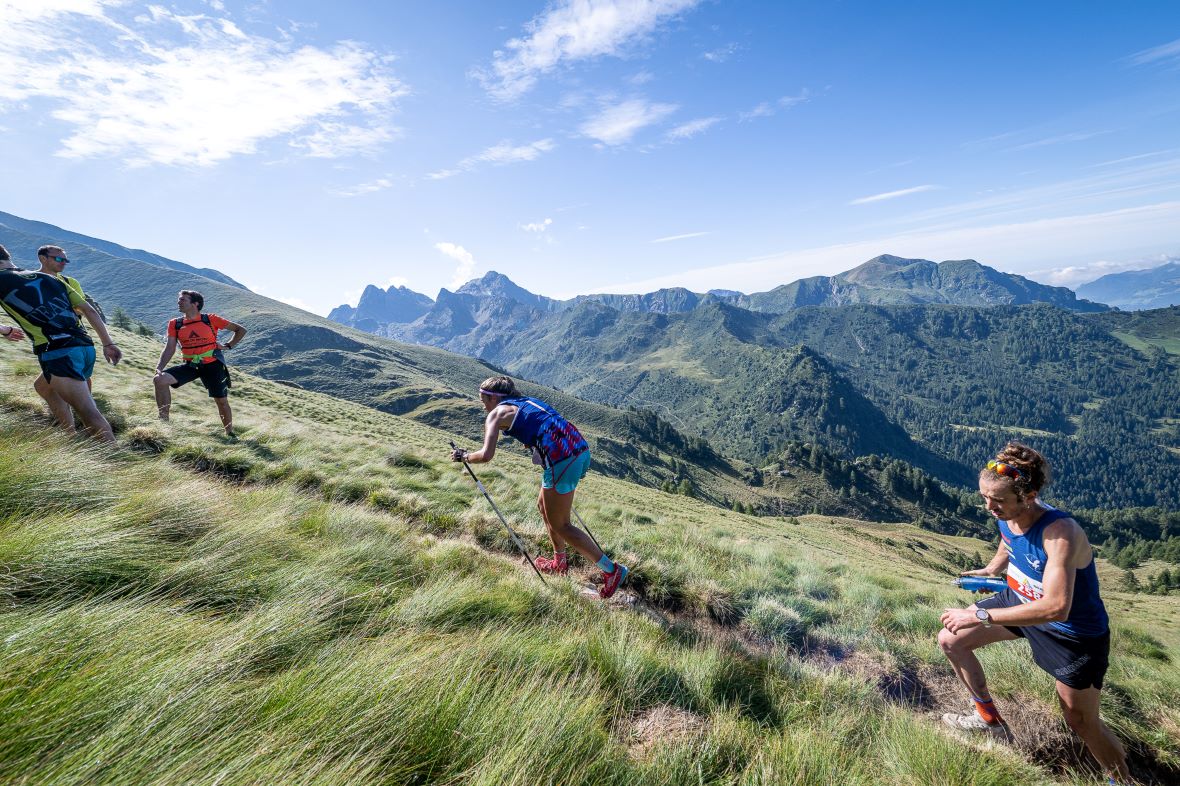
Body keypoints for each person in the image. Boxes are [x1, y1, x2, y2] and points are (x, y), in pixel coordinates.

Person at [938, 442, 1129, 783]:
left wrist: (979, 616)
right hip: (1019, 601)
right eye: (984, 496)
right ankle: (989, 723)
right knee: (951, 640)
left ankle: (1122, 779)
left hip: (1072, 633)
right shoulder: (1009, 514)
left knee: (1081, 721)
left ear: (1029, 496)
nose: (989, 506)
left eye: (997, 500)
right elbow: (1008, 537)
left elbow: (1057, 607)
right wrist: (992, 569)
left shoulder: (1061, 533)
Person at [450, 375, 629, 599]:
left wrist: (464, 456)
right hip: (579, 451)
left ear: (492, 398)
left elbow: (486, 455)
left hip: (562, 460)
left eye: (483, 399)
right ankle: (559, 562)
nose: (482, 405)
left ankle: (612, 571)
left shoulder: (496, 414)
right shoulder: (526, 402)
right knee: (543, 506)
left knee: (562, 525)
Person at [0, 249, 121, 441]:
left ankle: (115, 460)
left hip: (58, 351)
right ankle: (69, 437)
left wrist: (4, 329)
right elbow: (88, 310)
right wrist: (108, 344)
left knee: (88, 412)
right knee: (43, 387)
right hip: (85, 347)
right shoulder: (49, 277)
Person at [153, 290, 246, 437]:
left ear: (195, 304)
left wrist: (228, 345)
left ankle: (229, 433)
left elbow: (240, 330)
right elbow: (170, 347)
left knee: (221, 401)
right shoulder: (175, 324)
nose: (179, 302)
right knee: (160, 380)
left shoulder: (210, 319)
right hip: (190, 365)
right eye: (179, 299)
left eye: (183, 300)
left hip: (213, 364)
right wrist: (160, 367)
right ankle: (163, 422)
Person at [31, 245, 100, 425]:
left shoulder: (70, 282)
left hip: (65, 343)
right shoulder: (31, 282)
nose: (64, 263)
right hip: (56, 343)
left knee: (47, 386)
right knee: (45, 386)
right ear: (43, 258)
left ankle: (75, 429)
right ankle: (78, 424)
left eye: (66, 260)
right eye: (59, 259)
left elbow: (81, 309)